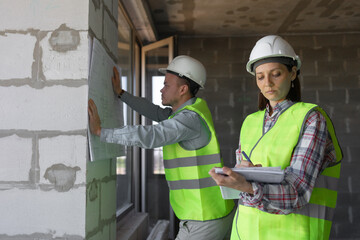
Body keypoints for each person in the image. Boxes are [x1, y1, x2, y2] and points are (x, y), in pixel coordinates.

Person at [209, 35, 342, 240]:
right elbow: (242, 188)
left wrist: (247, 186)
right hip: (245, 233)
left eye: (276, 74)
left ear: (293, 73)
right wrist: (236, 180)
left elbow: (297, 192)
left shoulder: (310, 118)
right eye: (260, 76)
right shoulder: (250, 122)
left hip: (293, 234)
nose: (267, 83)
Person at [88, 55, 235, 240]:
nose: (161, 89)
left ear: (183, 89)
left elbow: (151, 136)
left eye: (166, 84)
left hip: (204, 217)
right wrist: (121, 93)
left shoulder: (189, 120)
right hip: (211, 212)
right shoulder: (187, 113)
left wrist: (102, 132)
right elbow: (154, 111)